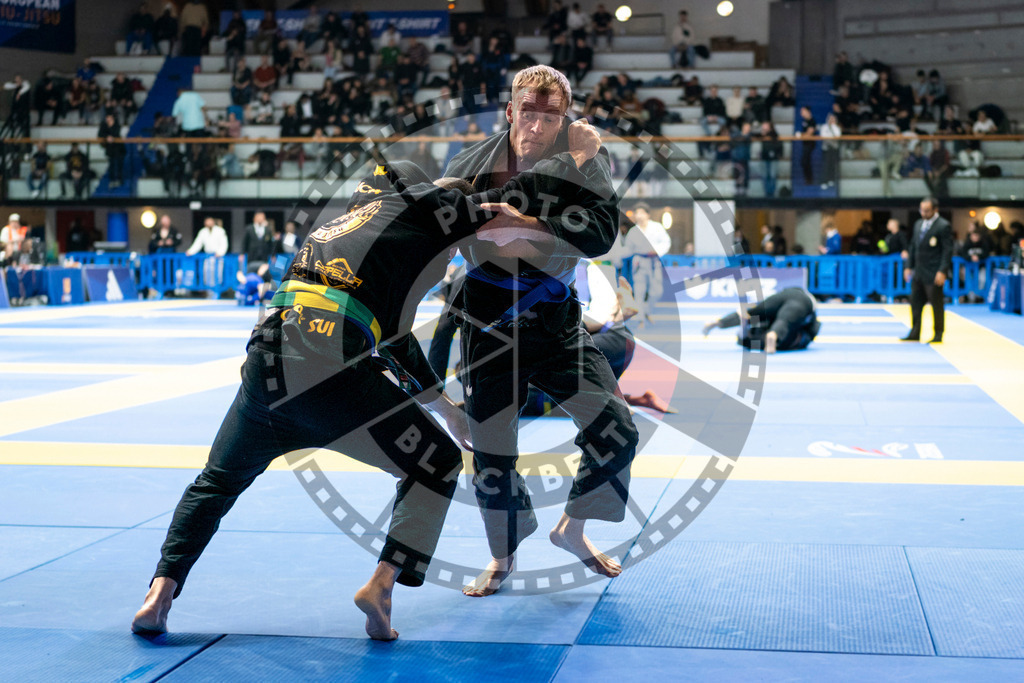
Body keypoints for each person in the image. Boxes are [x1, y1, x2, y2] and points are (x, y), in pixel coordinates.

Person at [130, 150, 600, 641]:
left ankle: (160, 591)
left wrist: (448, 411)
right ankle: (381, 586)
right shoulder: (426, 214)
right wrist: (581, 161)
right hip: (328, 369)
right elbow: (497, 209)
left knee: (216, 482)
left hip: (266, 367)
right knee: (435, 462)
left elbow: (396, 340)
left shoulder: (347, 223)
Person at [443, 65, 638, 596]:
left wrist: (529, 228)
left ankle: (572, 527)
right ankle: (502, 556)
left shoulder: (588, 163)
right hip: (487, 328)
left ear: (563, 119)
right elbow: (470, 227)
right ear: (510, 111)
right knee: (491, 451)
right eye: (528, 111)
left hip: (555, 323)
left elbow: (599, 233)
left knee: (617, 426)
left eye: (550, 116)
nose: (536, 124)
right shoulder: (472, 163)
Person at [703, 287, 820, 354]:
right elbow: (812, 326)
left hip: (784, 295)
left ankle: (720, 322)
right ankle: (773, 334)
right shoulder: (809, 308)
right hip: (804, 303)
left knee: (754, 312)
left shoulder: (794, 291)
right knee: (785, 320)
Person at [903, 197, 953, 343]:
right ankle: (915, 332)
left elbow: (947, 250)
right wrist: (908, 267)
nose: (923, 213)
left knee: (936, 303)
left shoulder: (943, 226)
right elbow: (913, 247)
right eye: (921, 210)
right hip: (918, 271)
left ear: (935, 210)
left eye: (927, 211)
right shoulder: (918, 224)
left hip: (934, 271)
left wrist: (942, 270)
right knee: (915, 303)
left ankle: (938, 333)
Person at [626, 202, 670, 325]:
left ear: (647, 215)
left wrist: (657, 251)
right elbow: (628, 249)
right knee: (639, 290)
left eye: (641, 213)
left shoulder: (657, 227)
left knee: (657, 291)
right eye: (636, 213)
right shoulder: (633, 231)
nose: (638, 215)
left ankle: (647, 311)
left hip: (654, 261)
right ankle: (640, 318)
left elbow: (666, 242)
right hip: (639, 261)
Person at [98, 114, 125, 188]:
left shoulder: (117, 124)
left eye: (109, 117)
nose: (108, 119)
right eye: (107, 117)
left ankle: (119, 179)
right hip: (110, 149)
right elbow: (100, 134)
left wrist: (111, 137)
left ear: (112, 118)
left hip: (119, 148)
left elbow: (116, 133)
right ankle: (112, 180)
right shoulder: (104, 124)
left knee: (119, 165)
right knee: (111, 165)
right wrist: (107, 137)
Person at [795, 106, 817, 185]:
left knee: (805, 161)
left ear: (807, 111)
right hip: (805, 144)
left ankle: (809, 179)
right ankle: (808, 179)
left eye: (803, 111)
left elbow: (809, 133)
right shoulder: (804, 121)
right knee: (805, 161)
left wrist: (800, 135)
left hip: (810, 144)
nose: (801, 113)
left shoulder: (812, 121)